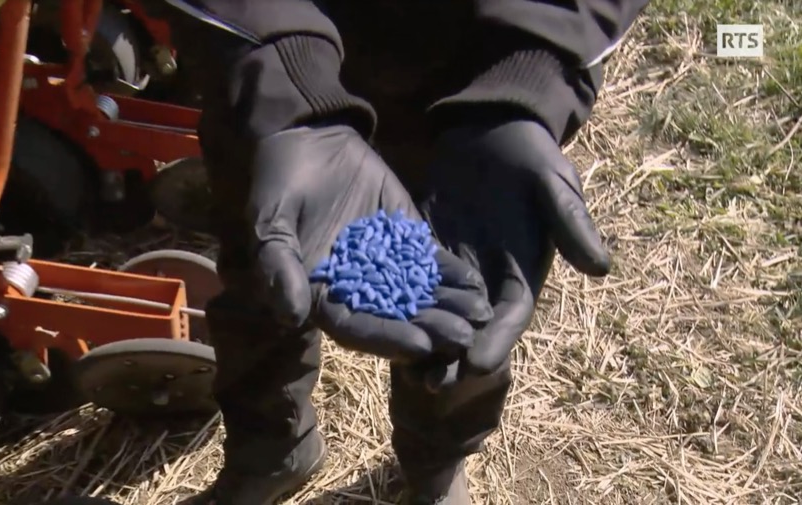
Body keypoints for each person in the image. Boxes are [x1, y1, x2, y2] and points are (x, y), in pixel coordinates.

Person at [151, 0, 651, 503]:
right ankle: (272, 445)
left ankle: (435, 464)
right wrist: (278, 66)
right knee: (264, 255)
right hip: (265, 69)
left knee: (457, 293)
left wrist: (528, 75)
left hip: (466, 61)